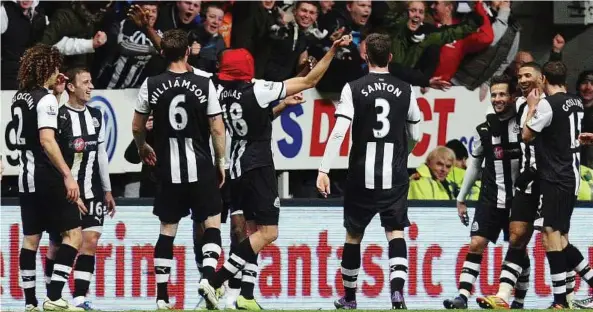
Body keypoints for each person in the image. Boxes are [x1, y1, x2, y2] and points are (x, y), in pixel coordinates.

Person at [197, 35, 353, 310]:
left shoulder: (217, 87)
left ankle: (237, 297)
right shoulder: (257, 89)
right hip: (258, 164)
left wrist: (282, 102)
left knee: (253, 231)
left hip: (237, 165)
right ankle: (216, 282)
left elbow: (260, 111)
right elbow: (309, 82)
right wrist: (332, 50)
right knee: (269, 233)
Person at [315, 33, 420, 309]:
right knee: (395, 232)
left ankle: (349, 298)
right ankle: (397, 294)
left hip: (361, 175)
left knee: (353, 236)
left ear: (365, 57)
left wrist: (324, 168)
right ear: (391, 58)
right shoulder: (407, 89)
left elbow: (340, 131)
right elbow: (416, 134)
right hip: (394, 175)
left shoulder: (353, 87)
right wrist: (402, 153)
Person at [132, 28, 226, 310]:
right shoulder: (205, 83)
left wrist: (142, 148)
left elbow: (138, 126)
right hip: (199, 166)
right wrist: (221, 161)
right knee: (211, 222)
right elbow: (217, 128)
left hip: (168, 170)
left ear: (163, 53)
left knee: (167, 230)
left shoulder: (151, 84)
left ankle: (162, 297)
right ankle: (209, 278)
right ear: (187, 52)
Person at [11, 43, 86, 311]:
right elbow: (46, 139)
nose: (61, 75)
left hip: (25, 177)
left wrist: (55, 91)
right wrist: (68, 175)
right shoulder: (46, 100)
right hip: (48, 177)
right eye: (57, 70)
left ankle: (30, 303)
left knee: (31, 238)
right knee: (74, 236)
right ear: (50, 69)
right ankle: (54, 297)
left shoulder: (20, 97)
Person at [444, 75, 523, 309]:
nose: (498, 99)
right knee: (476, 243)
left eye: (503, 94)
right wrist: (461, 198)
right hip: (489, 197)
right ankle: (462, 296)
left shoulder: (524, 124)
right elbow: (475, 164)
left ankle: (517, 300)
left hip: (518, 199)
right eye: (495, 95)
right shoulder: (485, 129)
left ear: (512, 97)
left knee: (518, 249)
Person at [521, 61, 593, 309]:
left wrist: (531, 108)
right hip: (571, 175)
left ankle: (560, 301)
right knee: (560, 239)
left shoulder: (547, 105)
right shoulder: (576, 101)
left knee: (551, 237)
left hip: (556, 176)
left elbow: (527, 135)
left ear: (543, 79)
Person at [475, 62, 545, 309]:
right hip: (524, 185)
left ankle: (564, 295)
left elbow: (532, 138)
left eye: (528, 75)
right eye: (521, 76)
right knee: (519, 239)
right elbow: (494, 109)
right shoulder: (522, 106)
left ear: (541, 78)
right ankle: (506, 297)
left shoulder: (545, 105)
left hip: (547, 182)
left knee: (555, 240)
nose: (524, 79)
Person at [53, 67, 115, 310]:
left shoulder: (96, 115)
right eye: (85, 82)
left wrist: (108, 190)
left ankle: (79, 298)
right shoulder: (59, 117)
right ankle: (53, 294)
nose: (90, 87)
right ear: (71, 86)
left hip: (94, 190)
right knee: (62, 244)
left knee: (90, 241)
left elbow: (100, 154)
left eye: (91, 82)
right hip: (67, 191)